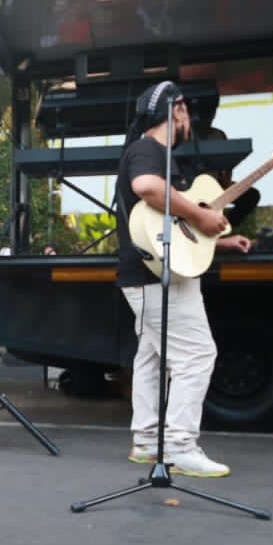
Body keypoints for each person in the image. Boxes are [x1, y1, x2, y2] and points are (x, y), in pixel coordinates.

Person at [112, 81, 251, 477]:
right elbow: (148, 188)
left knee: (152, 356)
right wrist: (203, 215)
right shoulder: (148, 150)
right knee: (196, 355)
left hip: (146, 272)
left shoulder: (149, 152)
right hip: (155, 277)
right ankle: (179, 445)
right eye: (188, 112)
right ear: (178, 110)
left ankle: (145, 440)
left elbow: (164, 226)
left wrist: (218, 241)